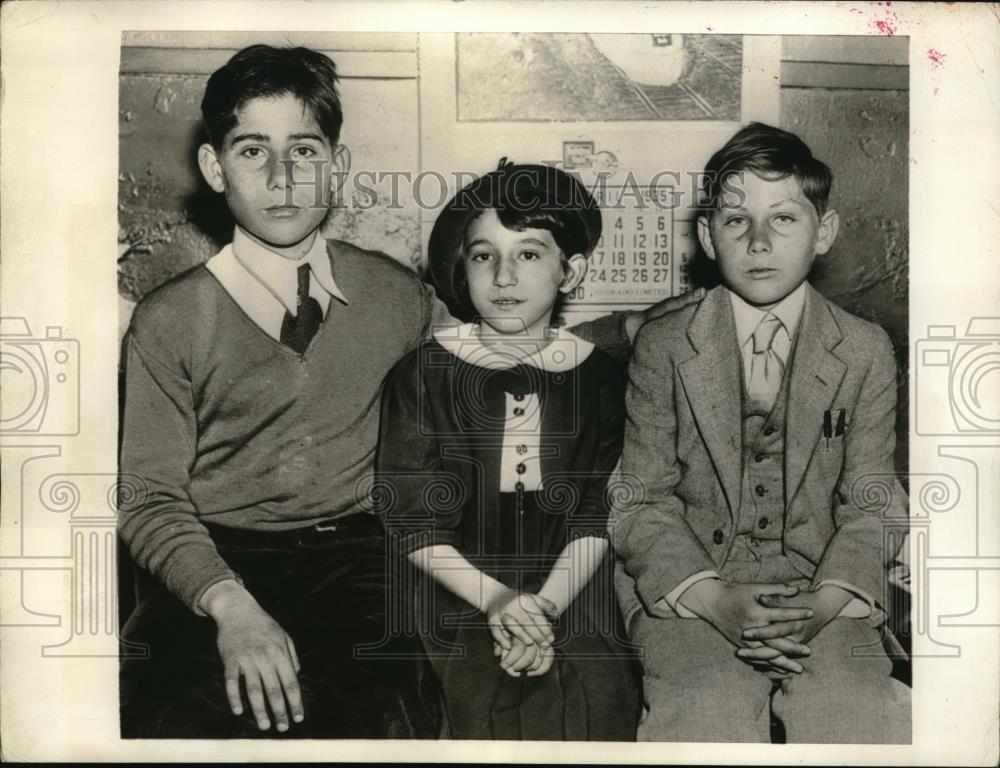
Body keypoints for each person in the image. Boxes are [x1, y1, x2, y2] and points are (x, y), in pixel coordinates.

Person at [118, 44, 692, 739]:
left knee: (376, 723)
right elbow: (149, 499)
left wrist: (636, 325)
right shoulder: (169, 320)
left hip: (360, 557)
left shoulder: (393, 293)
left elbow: (506, 340)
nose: (282, 177)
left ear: (338, 164)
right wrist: (229, 606)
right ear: (215, 167)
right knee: (174, 719)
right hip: (215, 559)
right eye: (251, 152)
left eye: (303, 151)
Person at [612, 123, 911, 743]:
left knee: (850, 711)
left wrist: (821, 606)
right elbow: (640, 500)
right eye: (735, 221)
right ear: (706, 236)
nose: (756, 242)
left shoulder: (864, 350)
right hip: (694, 584)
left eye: (783, 219)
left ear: (822, 232)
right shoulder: (665, 345)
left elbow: (873, 502)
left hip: (822, 585)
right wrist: (716, 600)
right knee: (704, 710)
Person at [375, 162, 642, 740]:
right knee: (487, 692)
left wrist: (543, 608)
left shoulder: (598, 378)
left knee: (599, 689)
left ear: (571, 271)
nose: (502, 275)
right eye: (482, 255)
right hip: (454, 578)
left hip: (569, 577)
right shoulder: (424, 374)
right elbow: (411, 518)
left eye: (527, 254)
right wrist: (496, 600)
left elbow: (596, 509)